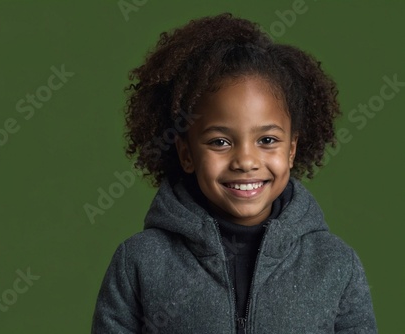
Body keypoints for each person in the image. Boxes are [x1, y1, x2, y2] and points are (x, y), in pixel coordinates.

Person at [91, 13, 377, 333]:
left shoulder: (336, 264)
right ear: (187, 153)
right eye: (220, 141)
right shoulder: (139, 262)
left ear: (292, 150)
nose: (245, 160)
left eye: (267, 140)